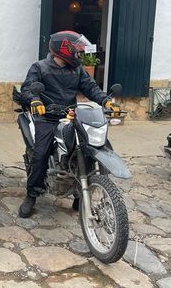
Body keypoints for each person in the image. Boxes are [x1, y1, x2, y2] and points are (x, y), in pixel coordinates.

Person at [18, 30, 120, 218]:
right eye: (76, 51)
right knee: (41, 154)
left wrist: (105, 101)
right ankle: (31, 195)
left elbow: (90, 87)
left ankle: (80, 194)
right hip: (47, 116)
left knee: (86, 146)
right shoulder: (39, 67)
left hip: (72, 114)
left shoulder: (77, 69)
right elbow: (27, 88)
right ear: (63, 49)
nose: (78, 55)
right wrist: (34, 100)